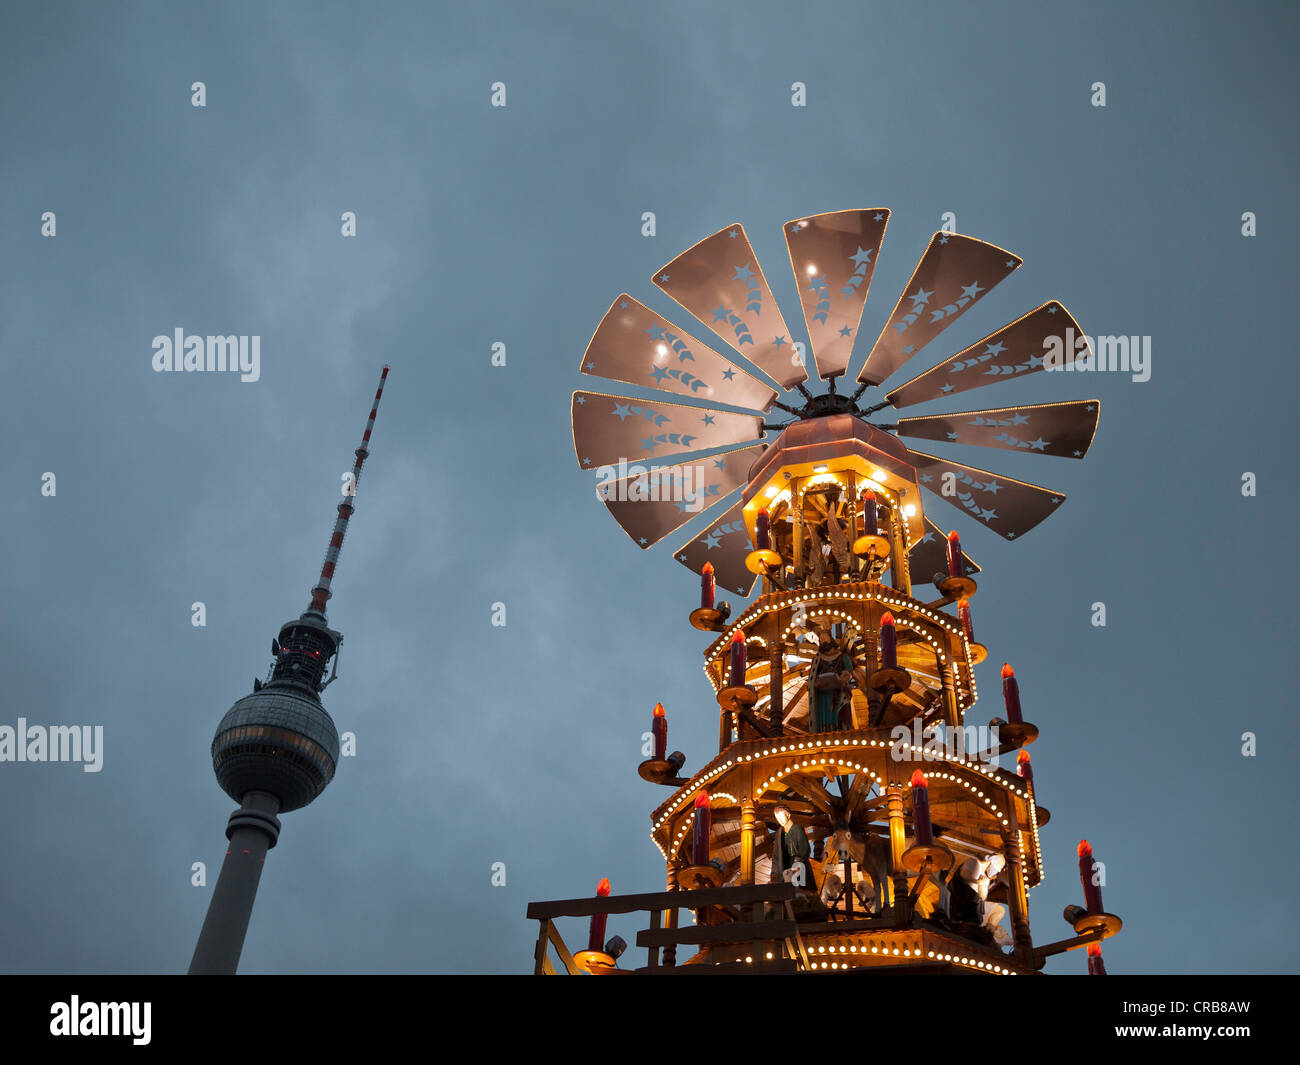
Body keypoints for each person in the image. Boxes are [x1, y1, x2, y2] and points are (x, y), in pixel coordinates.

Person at [771, 805, 815, 891]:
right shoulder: (779, 834)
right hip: (785, 868)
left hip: (799, 866)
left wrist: (797, 865)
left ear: (788, 815)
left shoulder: (797, 829)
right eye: (777, 818)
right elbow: (776, 856)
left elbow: (805, 850)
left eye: (781, 816)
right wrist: (774, 874)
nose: (779, 820)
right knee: (788, 893)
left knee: (801, 892)